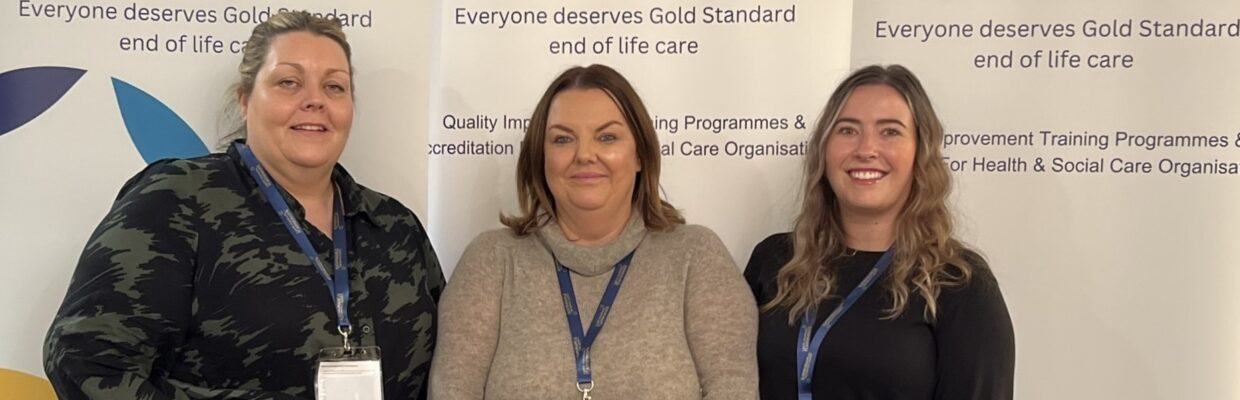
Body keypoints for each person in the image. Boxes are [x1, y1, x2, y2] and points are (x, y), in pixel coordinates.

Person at [43, 11, 444, 399]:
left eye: (334, 87)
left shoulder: (395, 227)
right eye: (288, 82)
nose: (314, 100)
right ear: (245, 100)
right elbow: (86, 362)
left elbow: (448, 372)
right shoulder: (177, 200)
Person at [429, 64, 757, 399]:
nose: (585, 155)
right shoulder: (491, 261)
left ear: (640, 154)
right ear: (541, 158)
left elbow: (733, 387)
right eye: (562, 139)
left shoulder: (696, 257)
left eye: (607, 137)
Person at [744, 64, 1015, 399]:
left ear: (921, 153)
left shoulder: (960, 281)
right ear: (823, 151)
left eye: (890, 131)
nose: (866, 149)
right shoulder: (775, 261)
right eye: (847, 130)